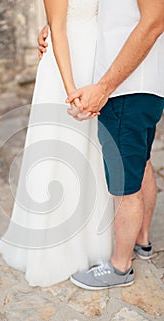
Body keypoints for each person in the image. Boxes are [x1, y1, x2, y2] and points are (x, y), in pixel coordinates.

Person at [38, 0, 164, 290]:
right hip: (144, 84)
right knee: (140, 163)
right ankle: (141, 242)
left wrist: (105, 88)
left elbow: (154, 21)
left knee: (124, 185)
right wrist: (54, 26)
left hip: (126, 88)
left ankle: (120, 267)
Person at [0, 0, 115, 287]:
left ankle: (95, 242)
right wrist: (71, 90)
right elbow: (58, 27)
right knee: (62, 150)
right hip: (66, 65)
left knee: (94, 152)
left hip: (98, 58)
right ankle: (58, 246)